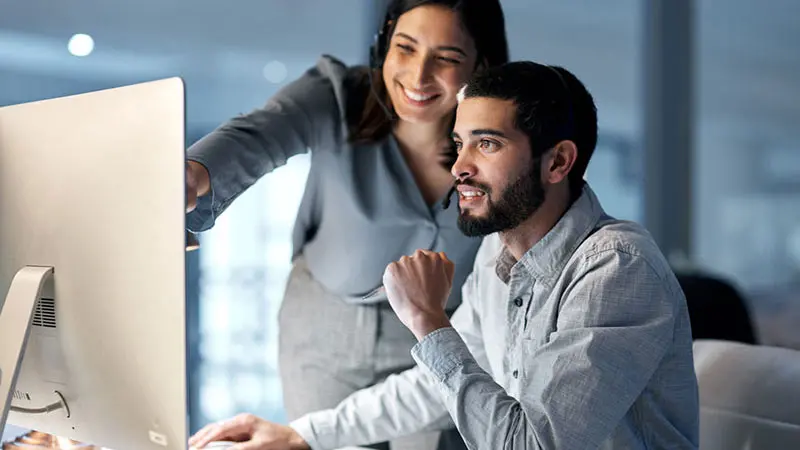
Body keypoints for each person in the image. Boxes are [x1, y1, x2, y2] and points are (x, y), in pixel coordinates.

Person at [189, 61, 700, 450]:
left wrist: (429, 321)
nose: (459, 167)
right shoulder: (497, 255)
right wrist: (303, 434)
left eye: (488, 145)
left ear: (558, 161)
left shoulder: (615, 268)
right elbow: (436, 386)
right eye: (459, 143)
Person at [184, 1, 509, 449]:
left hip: (436, 329)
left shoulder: (498, 144)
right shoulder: (337, 95)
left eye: (447, 58)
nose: (418, 77)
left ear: (482, 64)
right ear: (384, 45)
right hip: (325, 330)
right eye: (406, 49)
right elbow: (260, 133)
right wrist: (196, 172)